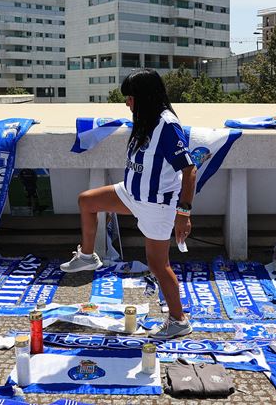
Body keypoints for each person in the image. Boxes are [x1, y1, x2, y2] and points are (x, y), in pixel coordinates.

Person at [59, 69, 196, 340]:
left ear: (144, 97)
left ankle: (179, 320)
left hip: (156, 205)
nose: (127, 103)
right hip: (131, 194)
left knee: (158, 265)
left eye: (130, 97)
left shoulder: (167, 126)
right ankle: (88, 257)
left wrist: (183, 212)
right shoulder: (145, 120)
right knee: (87, 201)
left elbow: (189, 170)